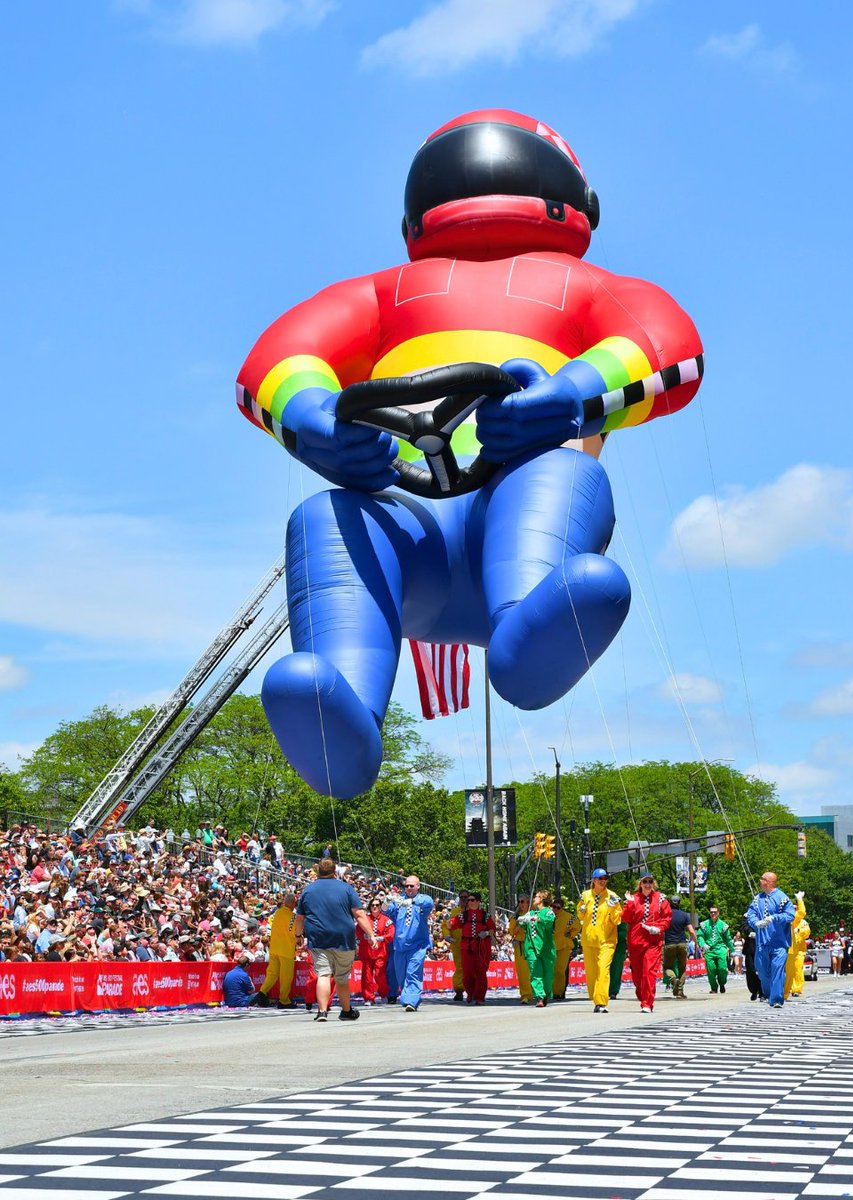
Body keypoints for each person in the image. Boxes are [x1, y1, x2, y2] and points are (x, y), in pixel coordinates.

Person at [238, 109, 703, 803]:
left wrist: (569, 395)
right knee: (329, 516)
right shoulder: (384, 295)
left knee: (554, 471)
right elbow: (276, 365)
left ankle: (528, 633)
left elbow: (670, 348)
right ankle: (344, 710)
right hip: (405, 532)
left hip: (509, 516)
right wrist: (322, 426)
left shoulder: (578, 289)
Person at [295, 858, 376, 1022]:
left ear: (318, 870)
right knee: (341, 978)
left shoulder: (308, 890)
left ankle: (322, 1012)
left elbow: (299, 918)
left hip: (319, 938)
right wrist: (371, 935)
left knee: (323, 975)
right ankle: (346, 1010)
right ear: (335, 872)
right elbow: (359, 914)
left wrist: (298, 936)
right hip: (343, 938)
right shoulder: (346, 888)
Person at [621, 874, 672, 1013]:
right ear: (640, 884)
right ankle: (642, 995)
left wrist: (660, 928)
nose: (647, 884)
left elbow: (667, 917)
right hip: (635, 942)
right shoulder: (633, 898)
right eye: (645, 882)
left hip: (653, 942)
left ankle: (647, 1003)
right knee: (638, 976)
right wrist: (629, 904)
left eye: (650, 881)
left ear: (653, 883)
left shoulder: (661, 898)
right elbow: (625, 918)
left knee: (649, 972)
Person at [383, 875, 435, 1011]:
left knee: (413, 972)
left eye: (412, 885)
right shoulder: (399, 901)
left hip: (417, 946)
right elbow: (385, 911)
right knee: (401, 976)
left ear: (418, 886)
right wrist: (386, 901)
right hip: (400, 946)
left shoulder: (423, 899)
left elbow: (429, 903)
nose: (409, 888)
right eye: (407, 886)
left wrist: (412, 902)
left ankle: (411, 1001)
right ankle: (408, 997)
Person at [746, 871, 795, 1009]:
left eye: (762, 879)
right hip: (762, 944)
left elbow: (790, 915)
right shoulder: (757, 899)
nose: (760, 881)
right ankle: (768, 993)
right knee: (762, 971)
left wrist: (774, 918)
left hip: (779, 944)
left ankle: (777, 999)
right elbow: (751, 914)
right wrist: (756, 923)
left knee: (777, 969)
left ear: (768, 882)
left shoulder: (782, 898)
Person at [577, 868, 622, 1013]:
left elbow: (617, 920)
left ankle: (601, 1002)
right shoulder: (585, 895)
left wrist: (614, 907)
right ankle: (596, 999)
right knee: (591, 974)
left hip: (607, 940)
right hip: (589, 940)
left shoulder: (612, 896)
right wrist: (582, 910)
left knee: (603, 970)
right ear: (594, 880)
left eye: (605, 878)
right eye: (600, 878)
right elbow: (581, 917)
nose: (603, 881)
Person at [251, 891, 299, 1009]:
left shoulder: (277, 913)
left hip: (274, 948)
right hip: (286, 949)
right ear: (293, 903)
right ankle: (284, 1000)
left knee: (272, 973)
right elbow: (293, 931)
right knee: (286, 976)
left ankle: (262, 992)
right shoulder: (293, 917)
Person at [449, 893, 496, 1005]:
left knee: (480, 972)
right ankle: (470, 993)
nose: (469, 902)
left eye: (472, 900)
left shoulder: (485, 915)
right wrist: (447, 921)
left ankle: (480, 996)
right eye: (469, 900)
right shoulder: (462, 915)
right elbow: (452, 924)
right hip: (466, 946)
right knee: (467, 972)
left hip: (481, 947)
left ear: (478, 902)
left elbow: (493, 928)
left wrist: (486, 933)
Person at [518, 889, 556, 1008]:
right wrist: (523, 919)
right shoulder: (531, 913)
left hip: (546, 949)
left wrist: (538, 919)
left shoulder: (549, 912)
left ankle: (545, 993)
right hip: (531, 949)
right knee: (535, 972)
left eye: (536, 897)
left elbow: (549, 922)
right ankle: (539, 996)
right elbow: (521, 922)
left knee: (548, 976)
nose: (534, 899)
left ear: (542, 899)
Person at [356, 896, 395, 1004]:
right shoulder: (365, 919)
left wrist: (381, 938)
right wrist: (364, 936)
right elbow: (358, 931)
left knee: (379, 974)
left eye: (377, 905)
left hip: (380, 951)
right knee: (366, 976)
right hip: (366, 951)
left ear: (380, 907)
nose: (374, 907)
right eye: (372, 905)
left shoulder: (386, 920)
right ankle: (369, 997)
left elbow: (391, 934)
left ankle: (383, 993)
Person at [662, 895, 696, 999]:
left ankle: (673, 979)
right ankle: (680, 991)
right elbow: (691, 930)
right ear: (679, 903)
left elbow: (661, 930)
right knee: (682, 968)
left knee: (668, 967)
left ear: (670, 903)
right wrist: (696, 942)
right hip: (682, 944)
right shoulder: (685, 915)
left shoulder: (665, 915)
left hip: (669, 944)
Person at [698, 903, 735, 995]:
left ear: (718, 913)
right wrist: (703, 944)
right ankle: (714, 987)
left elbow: (728, 939)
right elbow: (700, 936)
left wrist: (732, 950)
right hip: (709, 950)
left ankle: (722, 983)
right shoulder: (704, 924)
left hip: (721, 949)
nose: (713, 914)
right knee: (711, 969)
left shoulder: (723, 925)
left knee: (722, 968)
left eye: (715, 912)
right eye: (711, 912)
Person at [442, 890, 471, 1001]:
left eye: (466, 897)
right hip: (457, 944)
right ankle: (459, 990)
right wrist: (447, 935)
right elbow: (445, 925)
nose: (464, 900)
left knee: (471, 968)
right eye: (462, 897)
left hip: (471, 944)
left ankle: (471, 990)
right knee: (460, 967)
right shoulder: (454, 912)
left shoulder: (474, 912)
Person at [551, 898, 581, 1001]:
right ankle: (553, 991)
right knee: (552, 970)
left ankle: (559, 992)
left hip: (564, 946)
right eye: (553, 906)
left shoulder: (569, 917)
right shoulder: (548, 916)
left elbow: (577, 926)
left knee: (560, 970)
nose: (555, 909)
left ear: (562, 908)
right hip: (551, 946)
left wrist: (571, 934)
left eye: (558, 908)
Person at [786, 892, 811, 999]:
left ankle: (796, 989)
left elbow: (807, 932)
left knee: (797, 970)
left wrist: (799, 931)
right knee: (788, 971)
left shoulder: (802, 922)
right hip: (789, 949)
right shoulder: (788, 919)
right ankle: (785, 991)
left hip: (799, 951)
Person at [509, 895, 534, 1004]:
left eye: (524, 901)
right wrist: (520, 924)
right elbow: (511, 931)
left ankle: (536, 992)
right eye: (520, 901)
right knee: (523, 972)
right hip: (521, 945)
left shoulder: (535, 914)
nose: (521, 904)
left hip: (533, 945)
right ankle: (525, 995)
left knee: (534, 970)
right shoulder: (515, 917)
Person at [607, 920, 628, 1001]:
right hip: (605, 944)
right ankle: (603, 990)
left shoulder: (621, 917)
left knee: (616, 969)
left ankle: (613, 991)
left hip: (618, 946)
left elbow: (623, 933)